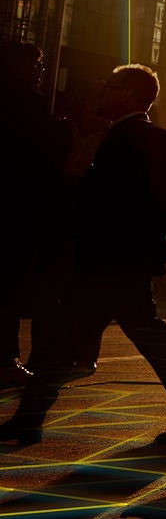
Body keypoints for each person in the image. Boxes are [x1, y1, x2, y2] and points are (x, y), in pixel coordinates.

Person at [0, 65, 166, 449]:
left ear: (129, 95)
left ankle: (29, 419)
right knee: (89, 339)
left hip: (108, 260)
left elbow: (102, 200)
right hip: (126, 258)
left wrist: (77, 182)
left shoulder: (122, 139)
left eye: (110, 86)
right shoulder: (146, 138)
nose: (101, 91)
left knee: (70, 340)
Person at [0, 43, 68, 386]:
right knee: (9, 288)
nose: (39, 72)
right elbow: (45, 158)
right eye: (35, 65)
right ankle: (5, 360)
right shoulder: (26, 105)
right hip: (17, 211)